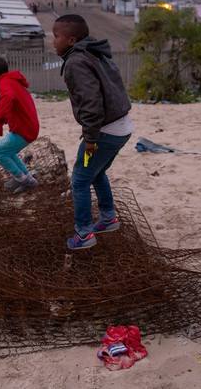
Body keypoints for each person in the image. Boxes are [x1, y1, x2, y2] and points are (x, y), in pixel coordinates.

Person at [52, 14, 135, 250]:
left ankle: (84, 234)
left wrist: (90, 139)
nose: (53, 41)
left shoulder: (77, 62)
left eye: (56, 36)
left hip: (103, 134)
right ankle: (108, 219)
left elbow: (91, 103)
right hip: (121, 127)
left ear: (71, 40)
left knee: (79, 179)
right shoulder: (93, 52)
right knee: (96, 173)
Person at [0, 57, 40, 194]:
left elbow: (8, 99)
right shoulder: (12, 81)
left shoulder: (6, 84)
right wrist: (1, 119)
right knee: (7, 151)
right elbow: (13, 105)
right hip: (27, 126)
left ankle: (20, 179)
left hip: (24, 129)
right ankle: (28, 179)